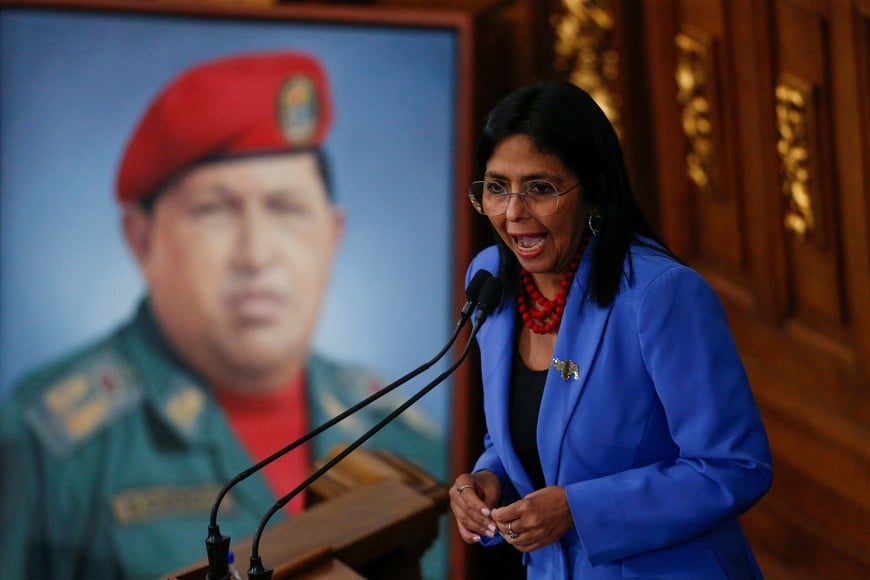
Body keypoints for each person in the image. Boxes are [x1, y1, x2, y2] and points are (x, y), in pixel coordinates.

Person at [0, 52, 441, 579]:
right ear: (142, 241)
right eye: (213, 210)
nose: (255, 254)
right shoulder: (46, 446)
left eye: (286, 208)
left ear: (332, 237)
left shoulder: (400, 434)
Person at [449, 81, 773, 578]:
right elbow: (526, 431)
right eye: (497, 188)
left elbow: (735, 467)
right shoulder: (491, 279)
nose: (513, 213)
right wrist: (489, 479)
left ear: (595, 189)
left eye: (540, 189)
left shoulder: (660, 296)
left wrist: (578, 509)